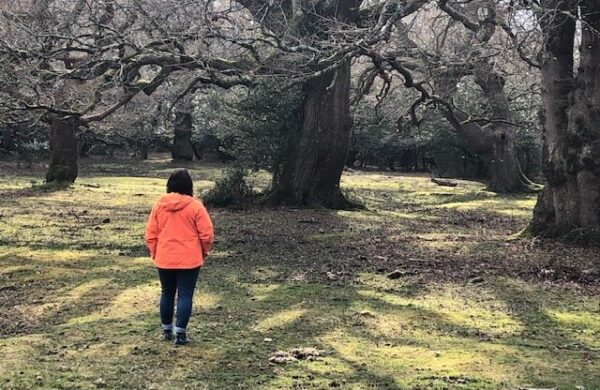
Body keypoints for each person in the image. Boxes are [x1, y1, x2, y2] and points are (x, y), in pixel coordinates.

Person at [144, 168, 214, 346]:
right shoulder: (195, 206)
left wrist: (155, 252)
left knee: (167, 293)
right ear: (189, 186)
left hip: (165, 257)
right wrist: (203, 251)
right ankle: (180, 334)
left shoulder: (159, 205)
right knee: (185, 295)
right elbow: (207, 234)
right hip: (190, 259)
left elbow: (151, 234)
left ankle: (166, 329)